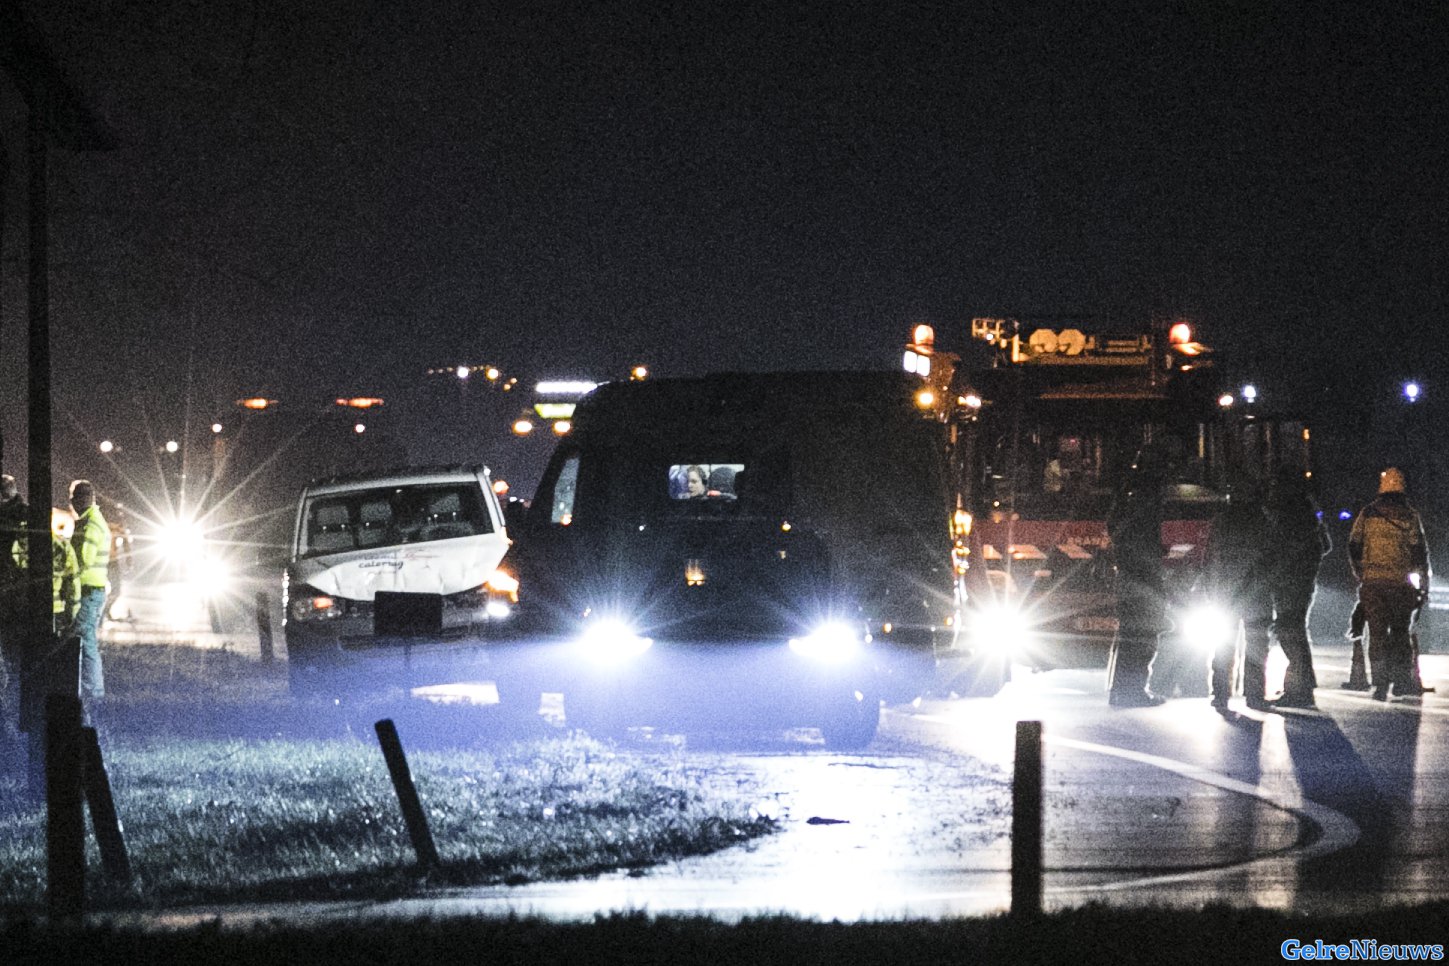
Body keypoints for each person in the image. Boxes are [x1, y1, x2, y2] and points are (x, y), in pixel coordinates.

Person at [1347, 467, 1430, 700]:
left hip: (1373, 585)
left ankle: (1381, 683)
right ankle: (1402, 681)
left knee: (1377, 634)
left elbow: (1353, 544)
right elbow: (1419, 552)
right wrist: (1422, 585)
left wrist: (1360, 572)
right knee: (1401, 633)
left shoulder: (1368, 513)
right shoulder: (1410, 515)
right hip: (1401, 585)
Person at [1203, 476, 1276, 711]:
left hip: (1227, 594)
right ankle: (1254, 696)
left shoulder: (1221, 520)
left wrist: (1209, 589)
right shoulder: (1262, 520)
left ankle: (1221, 694)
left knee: (1224, 645)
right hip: (1255, 593)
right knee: (1256, 646)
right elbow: (1271, 559)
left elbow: (1209, 558)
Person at [1106, 445, 1169, 707]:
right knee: (1144, 636)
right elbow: (1145, 538)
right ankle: (1133, 691)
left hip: (1129, 575)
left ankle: (1121, 690)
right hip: (1143, 577)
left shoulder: (1125, 493)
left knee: (1130, 635)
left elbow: (1114, 527)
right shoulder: (1147, 497)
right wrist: (1156, 553)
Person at [1265, 466, 1331, 708]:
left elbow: (1281, 547)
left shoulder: (1287, 515)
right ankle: (1303, 686)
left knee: (1289, 632)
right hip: (1301, 581)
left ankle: (1299, 689)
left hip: (1289, 581)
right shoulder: (1308, 512)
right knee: (1294, 632)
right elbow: (1325, 546)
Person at [69, 480, 111, 713]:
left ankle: (92, 693)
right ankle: (92, 691)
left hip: (89, 591)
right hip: (93, 590)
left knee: (84, 640)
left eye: (76, 498)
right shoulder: (92, 521)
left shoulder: (91, 524)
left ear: (82, 499)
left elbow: (82, 558)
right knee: (85, 639)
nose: (74, 503)